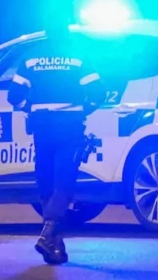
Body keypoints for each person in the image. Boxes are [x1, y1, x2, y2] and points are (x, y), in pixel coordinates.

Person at [7, 14, 105, 265]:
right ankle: (49, 231)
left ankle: (54, 245)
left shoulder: (31, 57)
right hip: (69, 126)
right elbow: (98, 93)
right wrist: (84, 109)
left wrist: (30, 107)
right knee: (64, 181)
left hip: (41, 127)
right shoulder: (78, 56)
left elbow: (14, 96)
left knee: (46, 180)